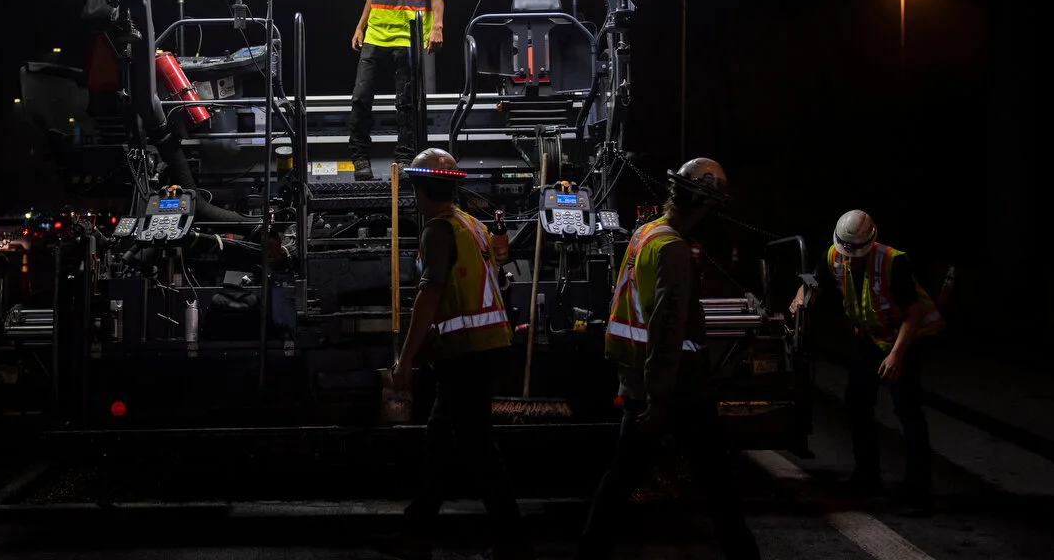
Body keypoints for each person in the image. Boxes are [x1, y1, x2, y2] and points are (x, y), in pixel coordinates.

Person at [575, 158, 761, 560]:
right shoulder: (674, 248)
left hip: (641, 376)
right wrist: (660, 397)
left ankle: (590, 552)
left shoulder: (646, 233)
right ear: (703, 203)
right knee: (717, 480)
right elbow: (667, 323)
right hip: (675, 384)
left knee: (622, 476)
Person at [379, 148, 534, 560]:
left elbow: (428, 297)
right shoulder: (474, 225)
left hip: (466, 355)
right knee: (442, 439)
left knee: (475, 446)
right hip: (485, 348)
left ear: (417, 190)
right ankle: (420, 531)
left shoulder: (437, 231)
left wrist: (405, 360)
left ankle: (512, 541)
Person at [790, 209, 945, 514]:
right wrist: (800, 300)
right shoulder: (833, 255)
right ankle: (867, 476)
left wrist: (896, 355)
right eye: (845, 252)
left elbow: (913, 313)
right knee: (856, 402)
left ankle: (918, 489)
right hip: (871, 338)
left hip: (907, 338)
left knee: (907, 409)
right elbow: (812, 282)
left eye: (855, 254)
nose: (848, 259)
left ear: (870, 244)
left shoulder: (892, 261)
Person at [348, 0, 448, 181]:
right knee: (361, 97)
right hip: (376, 33)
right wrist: (360, 25)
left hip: (408, 36)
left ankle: (405, 159)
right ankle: (360, 159)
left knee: (406, 103)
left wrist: (437, 27)